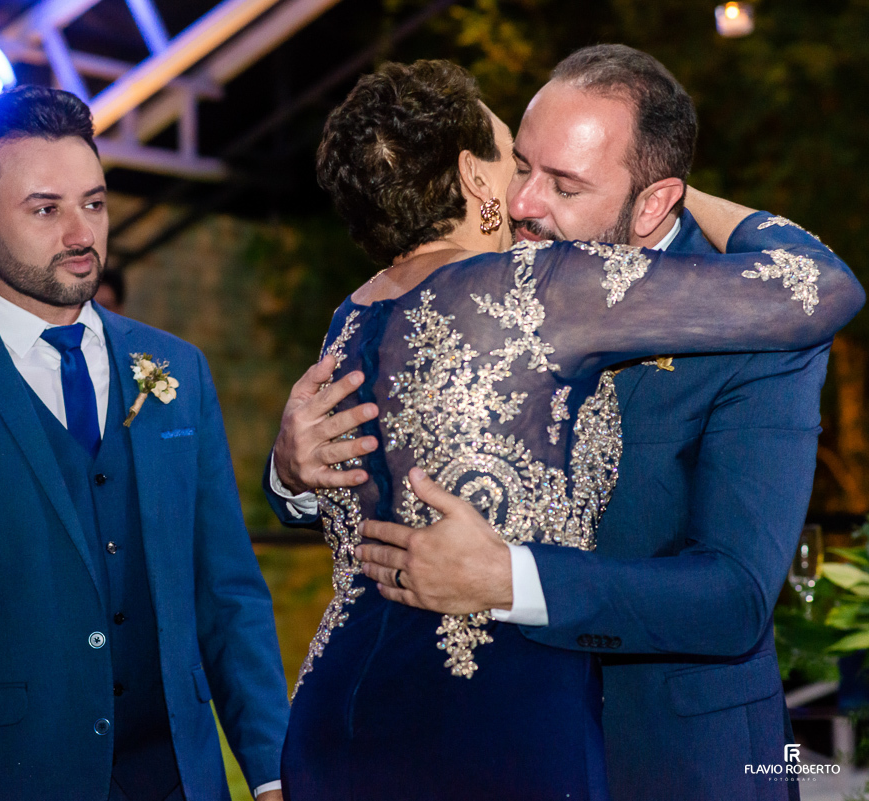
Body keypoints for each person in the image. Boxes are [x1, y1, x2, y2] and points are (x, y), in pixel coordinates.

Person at [271, 59, 862, 800]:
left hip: (672, 760)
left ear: (653, 204)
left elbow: (735, 597)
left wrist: (512, 579)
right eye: (520, 164)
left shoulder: (756, 329)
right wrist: (294, 474)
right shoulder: (466, 291)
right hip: (479, 736)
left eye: (565, 184)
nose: (522, 202)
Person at [0, 85, 290, 801]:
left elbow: (226, 591)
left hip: (178, 777)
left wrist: (269, 767)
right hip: (9, 778)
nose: (81, 232)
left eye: (95, 202)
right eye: (45, 209)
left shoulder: (178, 369)